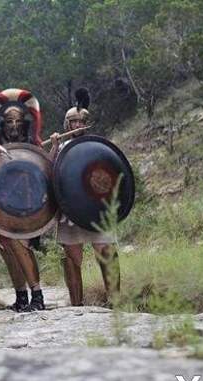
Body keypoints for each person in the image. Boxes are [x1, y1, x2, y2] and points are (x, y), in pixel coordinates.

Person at [49, 88, 121, 306]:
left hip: (96, 209)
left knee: (106, 250)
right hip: (69, 209)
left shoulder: (96, 145)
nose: (77, 126)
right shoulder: (60, 147)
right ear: (67, 125)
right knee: (72, 258)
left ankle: (115, 300)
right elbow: (48, 169)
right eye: (73, 122)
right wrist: (53, 147)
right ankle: (76, 304)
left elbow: (110, 174)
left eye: (81, 122)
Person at [0, 88, 46, 311]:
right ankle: (21, 296)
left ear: (25, 122)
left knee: (21, 246)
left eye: (17, 120)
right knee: (5, 246)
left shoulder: (33, 146)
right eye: (8, 121)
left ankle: (37, 296)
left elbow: (44, 172)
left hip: (30, 205)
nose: (13, 125)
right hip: (4, 206)